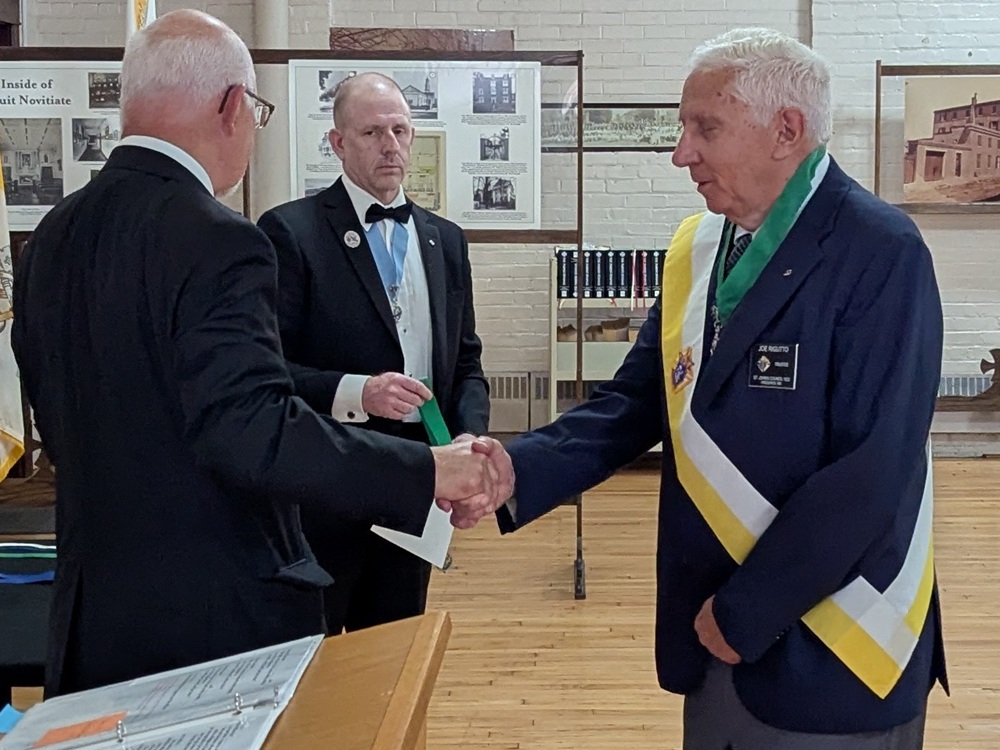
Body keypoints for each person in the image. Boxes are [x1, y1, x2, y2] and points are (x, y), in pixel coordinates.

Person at [460, 27, 948, 749]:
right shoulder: (702, 246)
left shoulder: (881, 250)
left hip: (833, 651)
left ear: (787, 131)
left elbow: (873, 472)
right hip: (715, 629)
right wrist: (516, 468)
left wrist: (744, 614)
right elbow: (635, 403)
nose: (681, 152)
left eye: (705, 128)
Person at [11, 10, 504, 697]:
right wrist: (426, 470)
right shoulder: (221, 238)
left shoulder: (52, 235)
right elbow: (254, 429)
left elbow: (59, 418)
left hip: (93, 611)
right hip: (212, 616)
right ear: (232, 106)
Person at [257, 72, 491, 634]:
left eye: (400, 131)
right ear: (338, 143)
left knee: (393, 642)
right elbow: (268, 372)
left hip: (417, 477)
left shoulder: (445, 239)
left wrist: (468, 441)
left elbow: (465, 363)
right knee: (316, 647)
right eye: (371, 133)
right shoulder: (291, 232)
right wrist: (357, 392)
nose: (390, 146)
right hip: (327, 475)